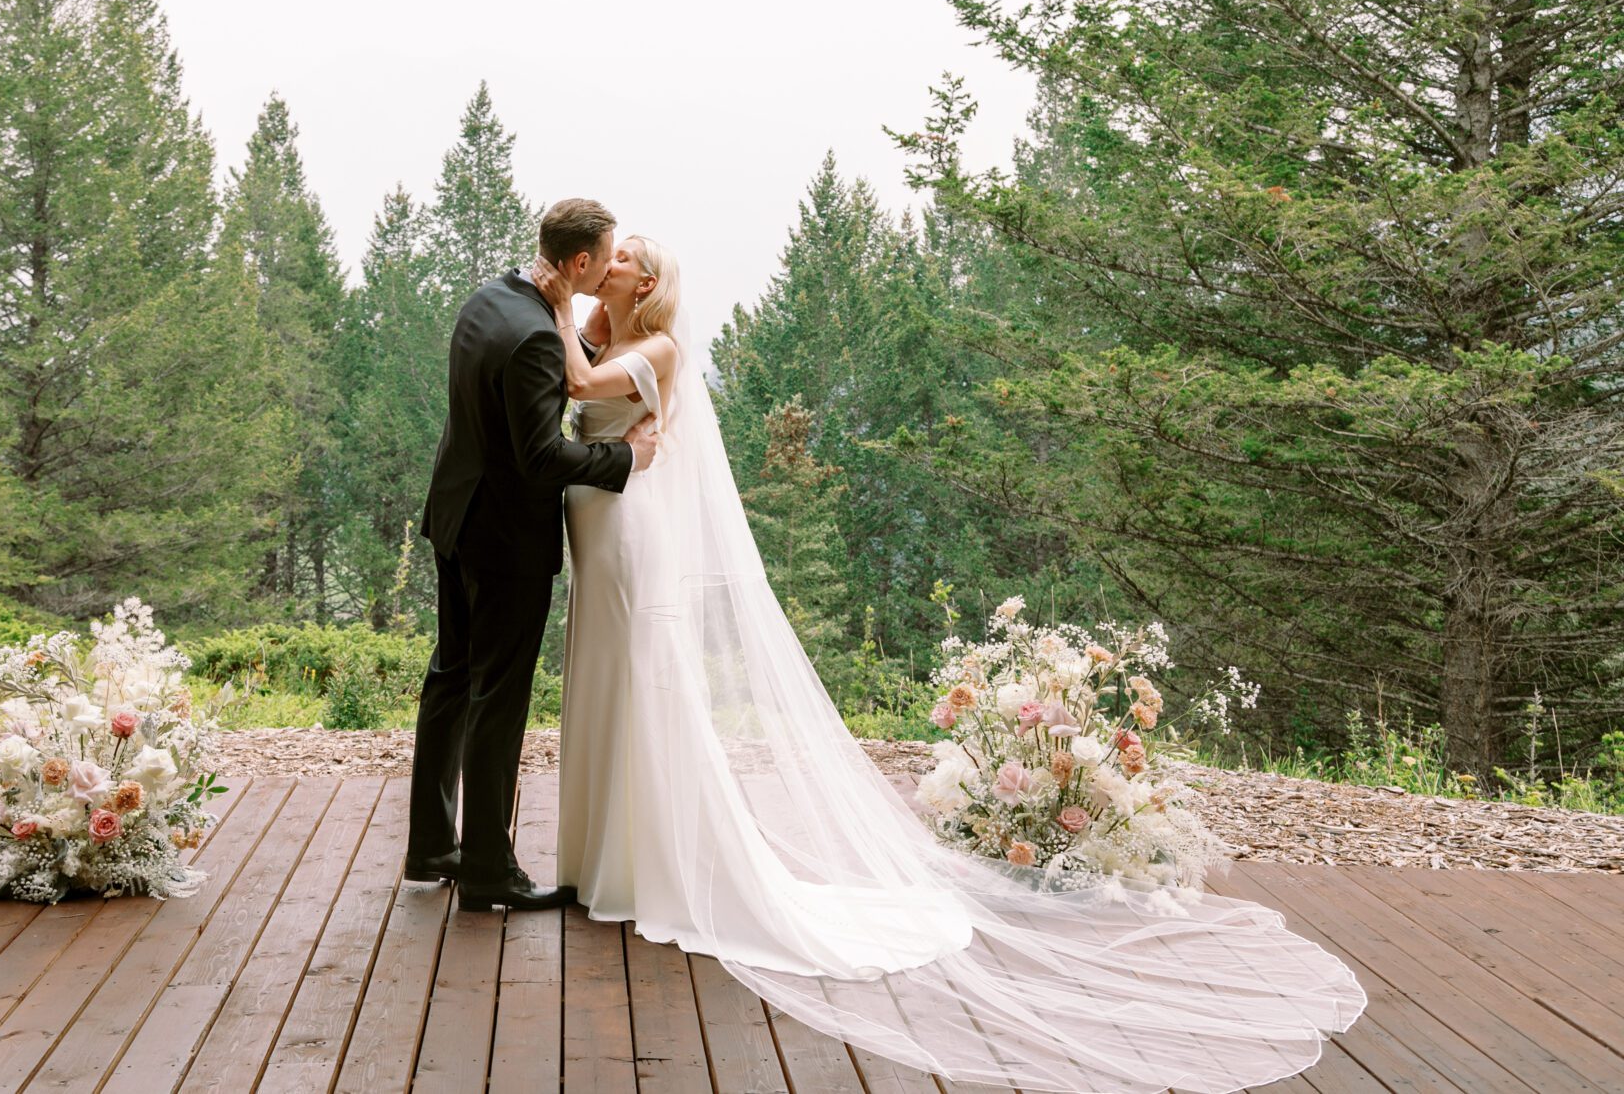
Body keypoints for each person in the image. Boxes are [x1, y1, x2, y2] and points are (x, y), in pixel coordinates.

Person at [528, 237, 1368, 1094]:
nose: (617, 258)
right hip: (594, 517)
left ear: (649, 280)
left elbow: (585, 388)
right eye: (613, 252)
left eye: (628, 254)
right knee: (603, 677)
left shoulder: (657, 345)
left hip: (630, 527)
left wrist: (557, 302)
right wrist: (579, 314)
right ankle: (602, 862)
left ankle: (647, 863)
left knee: (644, 681)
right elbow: (578, 375)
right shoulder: (606, 331)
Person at [407, 198, 659, 912]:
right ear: (579, 263)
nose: (613, 267)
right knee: (498, 698)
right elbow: (542, 456)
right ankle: (488, 867)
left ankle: (431, 846)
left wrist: (571, 328)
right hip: (504, 542)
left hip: (453, 518)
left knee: (450, 678)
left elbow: (508, 395)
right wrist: (625, 456)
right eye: (607, 257)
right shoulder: (538, 341)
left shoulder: (491, 297)